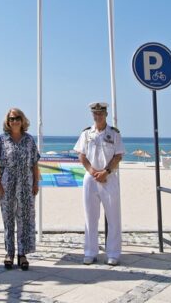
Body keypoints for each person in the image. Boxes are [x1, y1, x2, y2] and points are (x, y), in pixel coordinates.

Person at [74, 102, 125, 266]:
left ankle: (114, 253)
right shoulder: (86, 133)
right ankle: (90, 252)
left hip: (109, 178)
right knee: (90, 217)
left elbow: (118, 156)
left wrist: (106, 172)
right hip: (91, 178)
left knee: (113, 217)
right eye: (95, 114)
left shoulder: (114, 133)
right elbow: (81, 155)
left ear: (106, 114)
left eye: (101, 114)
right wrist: (91, 171)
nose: (98, 117)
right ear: (92, 115)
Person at [0, 108, 40, 270]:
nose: (15, 121)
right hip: (7, 184)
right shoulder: (1, 140)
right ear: (8, 121)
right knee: (8, 219)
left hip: (26, 184)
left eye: (17, 118)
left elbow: (34, 163)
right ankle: (9, 253)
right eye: (12, 118)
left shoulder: (29, 140)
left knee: (25, 218)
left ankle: (22, 254)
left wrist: (35, 184)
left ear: (22, 120)